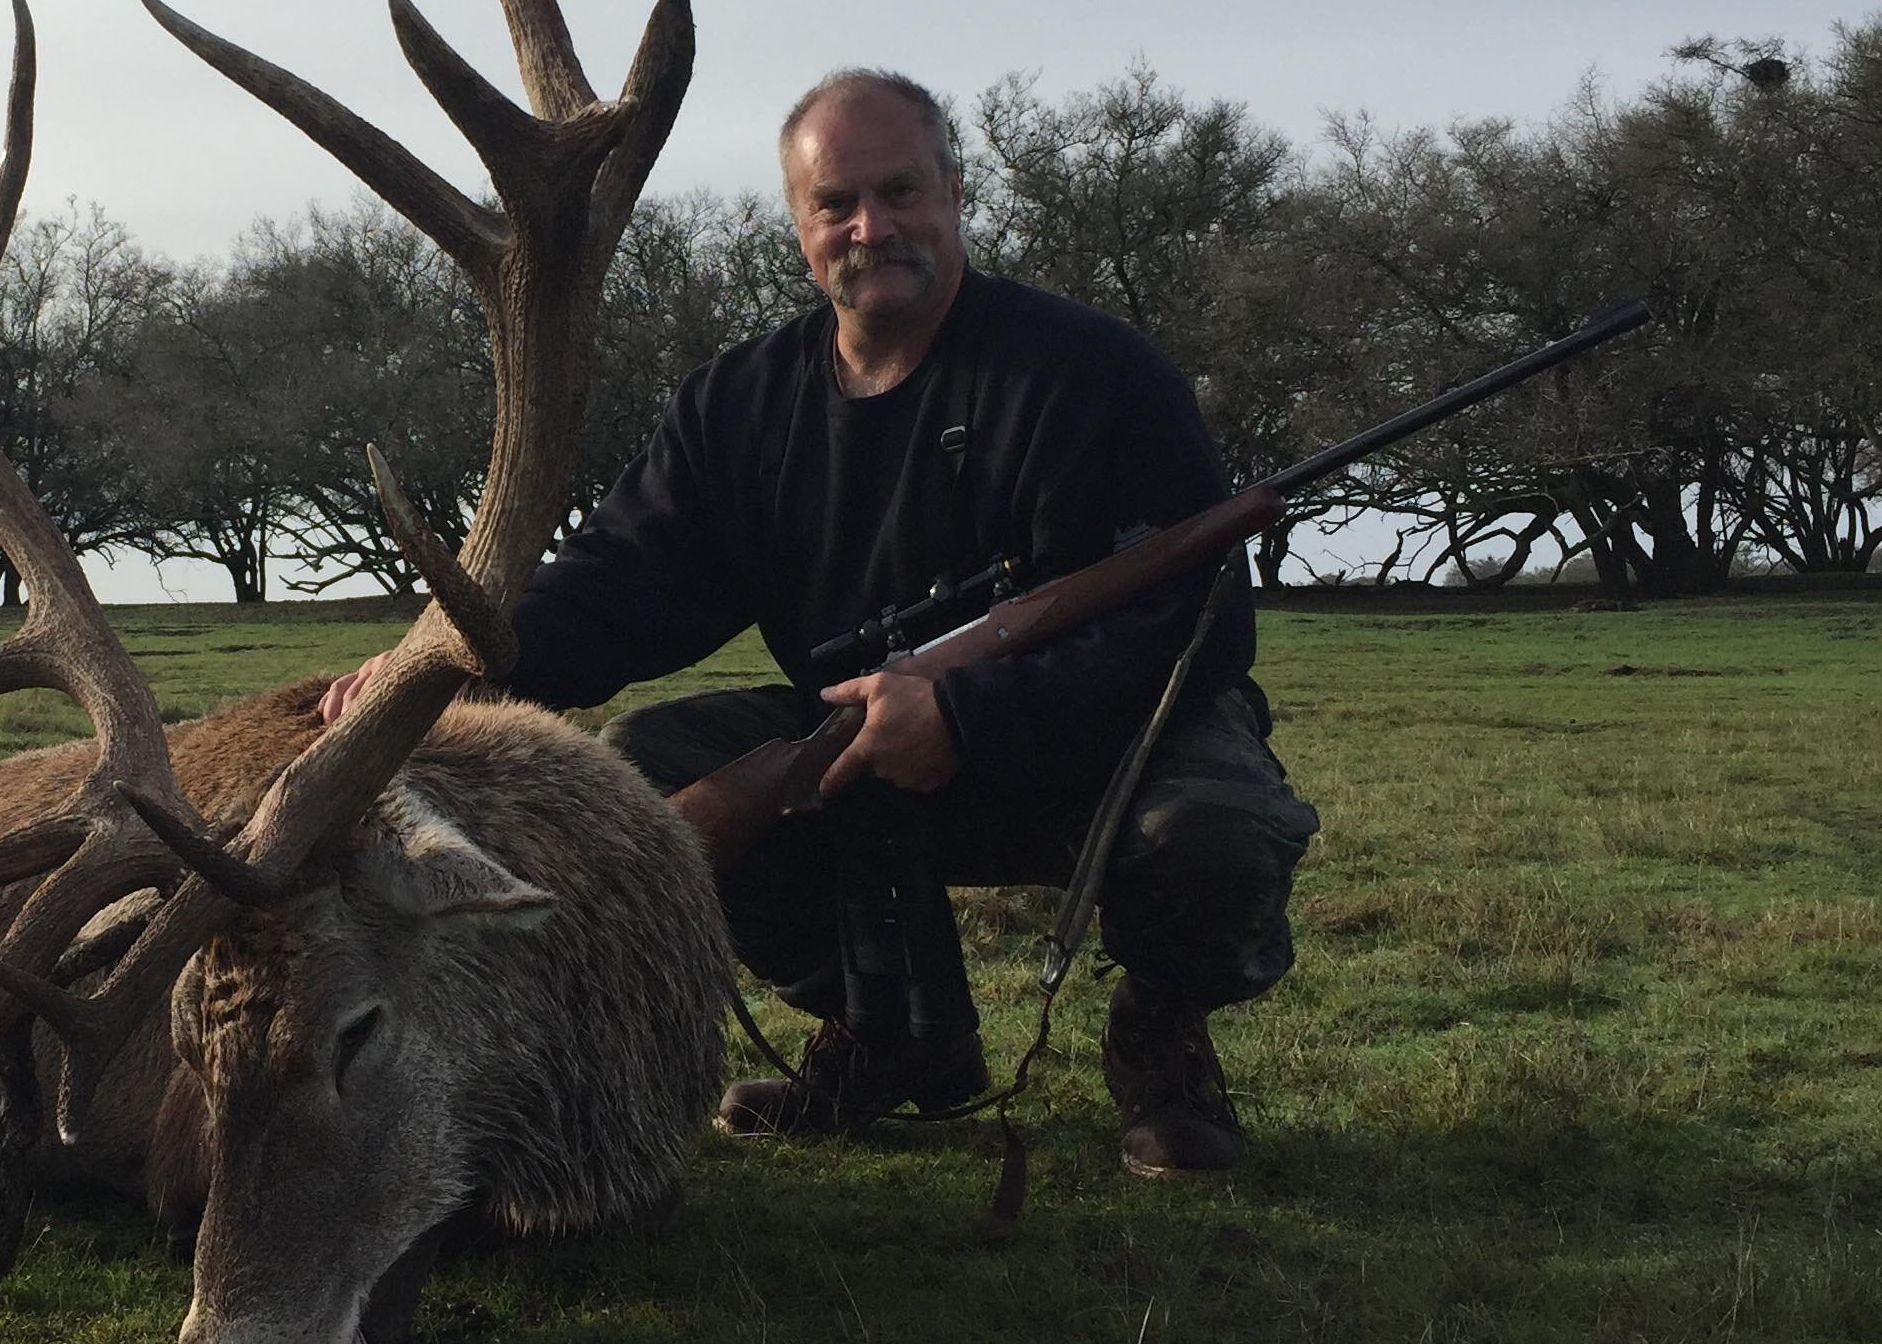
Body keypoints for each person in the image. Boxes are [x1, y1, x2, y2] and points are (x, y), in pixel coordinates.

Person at [324, 67, 1317, 1171]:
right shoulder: (737, 404)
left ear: (954, 191)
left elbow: (1198, 627)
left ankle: (1162, 1039)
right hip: (862, 746)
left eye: (899, 193)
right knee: (645, 771)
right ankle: (891, 1040)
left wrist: (971, 716)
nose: (870, 228)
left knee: (1213, 831)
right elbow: (621, 582)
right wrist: (455, 667)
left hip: (1100, 740)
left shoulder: (1096, 374)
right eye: (835, 205)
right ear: (798, 226)